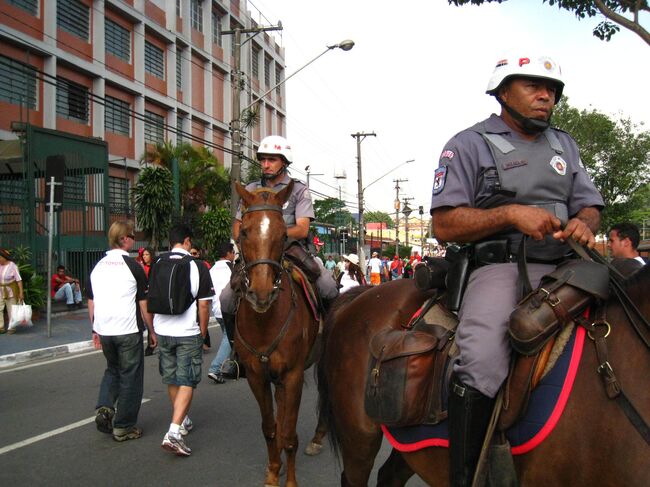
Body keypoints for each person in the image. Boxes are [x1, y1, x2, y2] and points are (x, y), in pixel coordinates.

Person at [430, 55, 603, 486]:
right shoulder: (468, 143)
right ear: (502, 92)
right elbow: (444, 223)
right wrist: (510, 215)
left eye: (553, 90)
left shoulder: (565, 144)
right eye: (534, 86)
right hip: (501, 265)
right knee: (482, 360)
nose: (547, 96)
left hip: (569, 264)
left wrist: (585, 221)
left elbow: (590, 203)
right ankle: (466, 477)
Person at [221, 135, 338, 317]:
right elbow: (237, 225)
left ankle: (327, 334)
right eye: (263, 160)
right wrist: (250, 242)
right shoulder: (251, 190)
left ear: (284, 162)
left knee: (328, 286)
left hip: (290, 248)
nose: (265, 164)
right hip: (256, 252)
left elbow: (302, 228)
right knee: (226, 299)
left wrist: (273, 236)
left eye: (272, 160)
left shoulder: (299, 189)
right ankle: (232, 343)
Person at [87, 221, 155, 442]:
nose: (134, 240)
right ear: (124, 239)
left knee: (112, 369)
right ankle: (124, 426)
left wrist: (94, 329)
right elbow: (143, 304)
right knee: (131, 376)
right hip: (127, 329)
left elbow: (91, 301)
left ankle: (105, 407)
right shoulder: (133, 266)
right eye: (132, 236)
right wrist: (152, 331)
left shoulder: (98, 266)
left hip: (104, 329)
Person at [153, 224, 214, 456]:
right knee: (187, 379)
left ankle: (183, 419)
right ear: (187, 241)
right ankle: (174, 432)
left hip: (163, 329)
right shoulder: (197, 265)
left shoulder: (157, 263)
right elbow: (204, 303)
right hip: (187, 331)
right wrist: (203, 331)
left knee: (172, 378)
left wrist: (153, 330)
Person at [207, 242, 237, 384]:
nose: (234, 255)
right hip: (229, 309)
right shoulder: (231, 268)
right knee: (228, 338)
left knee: (231, 338)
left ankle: (231, 366)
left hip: (216, 310)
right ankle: (215, 368)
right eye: (233, 252)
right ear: (229, 253)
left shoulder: (211, 270)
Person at [0, 248, 23, 334]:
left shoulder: (13, 266)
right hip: (0, 290)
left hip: (11, 291)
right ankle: (0, 327)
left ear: (4, 257)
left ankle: (12, 328)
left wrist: (21, 293)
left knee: (11, 310)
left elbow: (19, 280)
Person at [139, 247, 156, 356]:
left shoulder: (155, 267)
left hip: (153, 296)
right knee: (146, 319)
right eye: (143, 255)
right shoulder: (140, 267)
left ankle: (151, 344)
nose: (145, 257)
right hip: (143, 297)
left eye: (147, 254)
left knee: (152, 320)